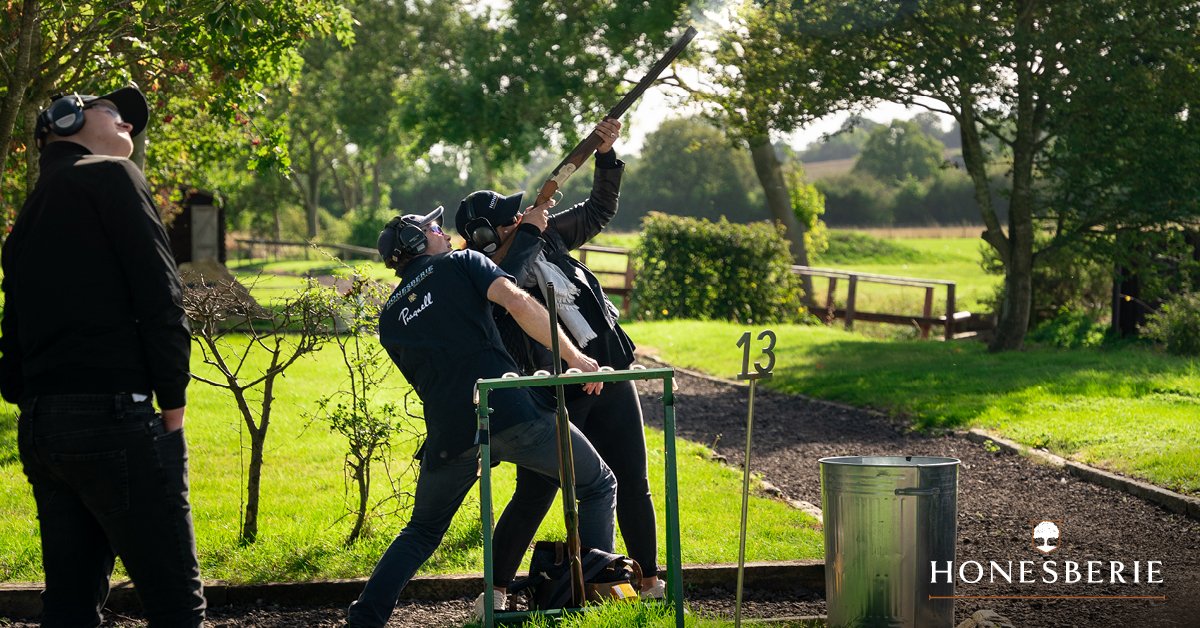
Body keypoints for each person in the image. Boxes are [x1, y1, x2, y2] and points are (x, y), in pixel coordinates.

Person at [346, 207, 617, 627]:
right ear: (418, 241)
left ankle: (365, 619)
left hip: (449, 436)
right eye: (434, 228)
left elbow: (428, 381)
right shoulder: (462, 262)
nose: (443, 232)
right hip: (510, 412)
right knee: (598, 484)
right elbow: (519, 302)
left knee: (421, 532)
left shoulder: (389, 318)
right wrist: (576, 358)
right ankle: (601, 599)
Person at [0, 86, 205, 626]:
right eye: (113, 113)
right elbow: (162, 297)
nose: (128, 125)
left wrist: (35, 402)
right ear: (66, 118)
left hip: (43, 429)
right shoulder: (113, 175)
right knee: (176, 603)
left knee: (68, 606)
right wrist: (173, 410)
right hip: (116, 419)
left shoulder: (26, 219)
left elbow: (12, 339)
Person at [456, 118, 663, 605]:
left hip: (609, 372)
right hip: (556, 389)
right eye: (508, 218)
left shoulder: (545, 238)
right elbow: (513, 287)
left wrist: (605, 155)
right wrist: (529, 231)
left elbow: (598, 211)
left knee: (633, 480)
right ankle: (495, 592)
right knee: (536, 492)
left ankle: (648, 582)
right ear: (486, 236)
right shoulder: (488, 274)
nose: (519, 216)